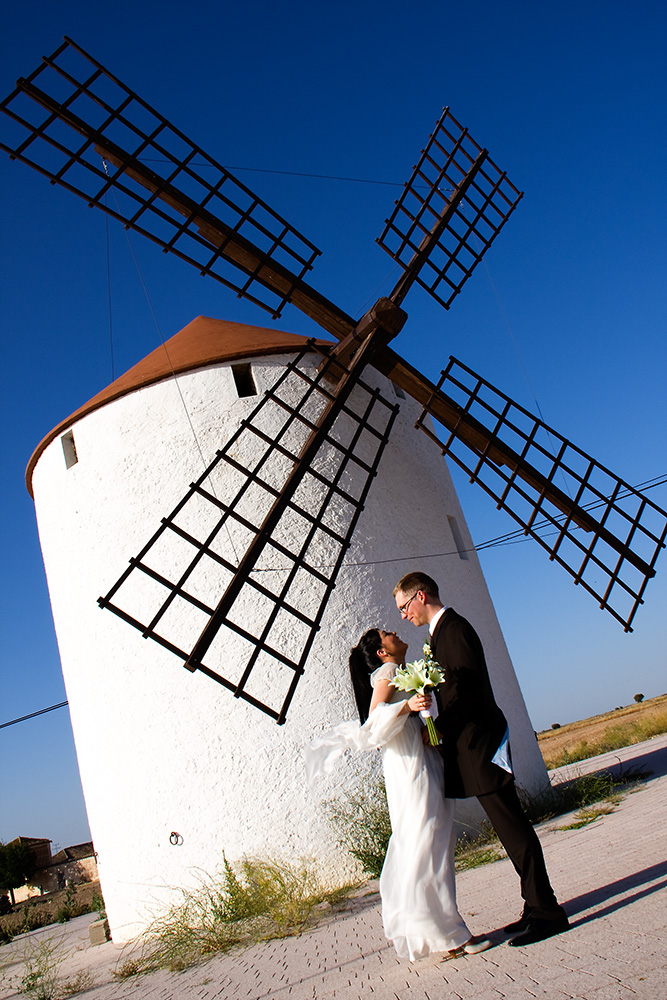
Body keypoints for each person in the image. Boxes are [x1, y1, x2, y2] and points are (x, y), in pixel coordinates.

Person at [393, 571, 569, 947]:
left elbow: (467, 693)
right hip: (472, 744)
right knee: (509, 829)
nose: (403, 615)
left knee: (513, 828)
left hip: (482, 743)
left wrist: (435, 729)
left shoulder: (453, 630)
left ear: (421, 596)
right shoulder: (440, 634)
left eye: (404, 606)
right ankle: (533, 905)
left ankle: (547, 910)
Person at [306, 627, 491, 962]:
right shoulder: (389, 673)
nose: (394, 631)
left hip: (418, 761)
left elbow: (399, 718)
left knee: (431, 843)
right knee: (426, 844)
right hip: (410, 769)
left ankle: (435, 928)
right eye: (387, 633)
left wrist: (424, 724)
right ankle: (449, 934)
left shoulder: (400, 672)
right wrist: (407, 706)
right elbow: (372, 727)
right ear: (382, 651)